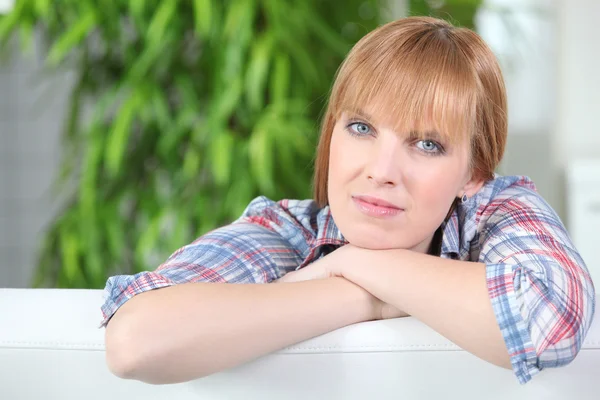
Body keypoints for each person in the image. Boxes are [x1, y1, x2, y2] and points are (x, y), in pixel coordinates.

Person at [101, 16, 595, 385]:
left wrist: (358, 264)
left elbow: (551, 318)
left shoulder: (496, 211)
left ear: (475, 174)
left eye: (427, 144)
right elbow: (136, 340)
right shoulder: (284, 231)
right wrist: (366, 298)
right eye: (361, 128)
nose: (381, 171)